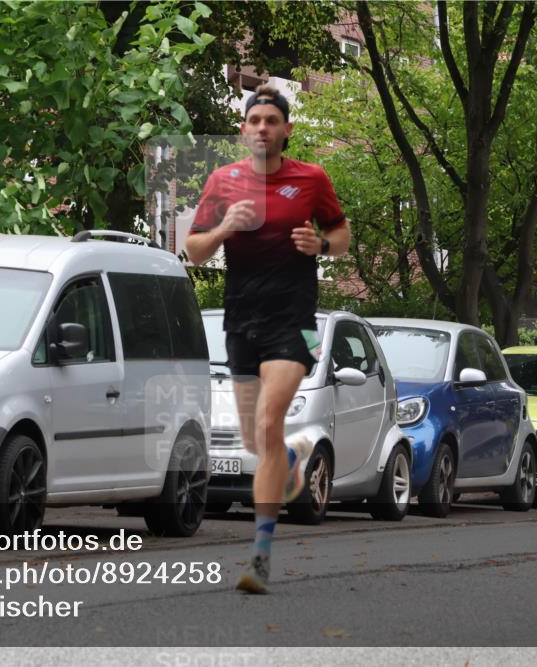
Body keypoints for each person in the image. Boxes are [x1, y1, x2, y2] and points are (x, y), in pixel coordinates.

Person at [185, 84, 350, 594]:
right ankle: (290, 462)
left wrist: (319, 244)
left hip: (294, 321)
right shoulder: (223, 181)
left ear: (286, 130)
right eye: (254, 120)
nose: (262, 128)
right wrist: (222, 232)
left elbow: (342, 237)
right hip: (241, 320)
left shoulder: (311, 178)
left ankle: (259, 555)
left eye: (271, 121)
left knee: (267, 419)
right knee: (260, 442)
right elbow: (192, 251)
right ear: (243, 130)